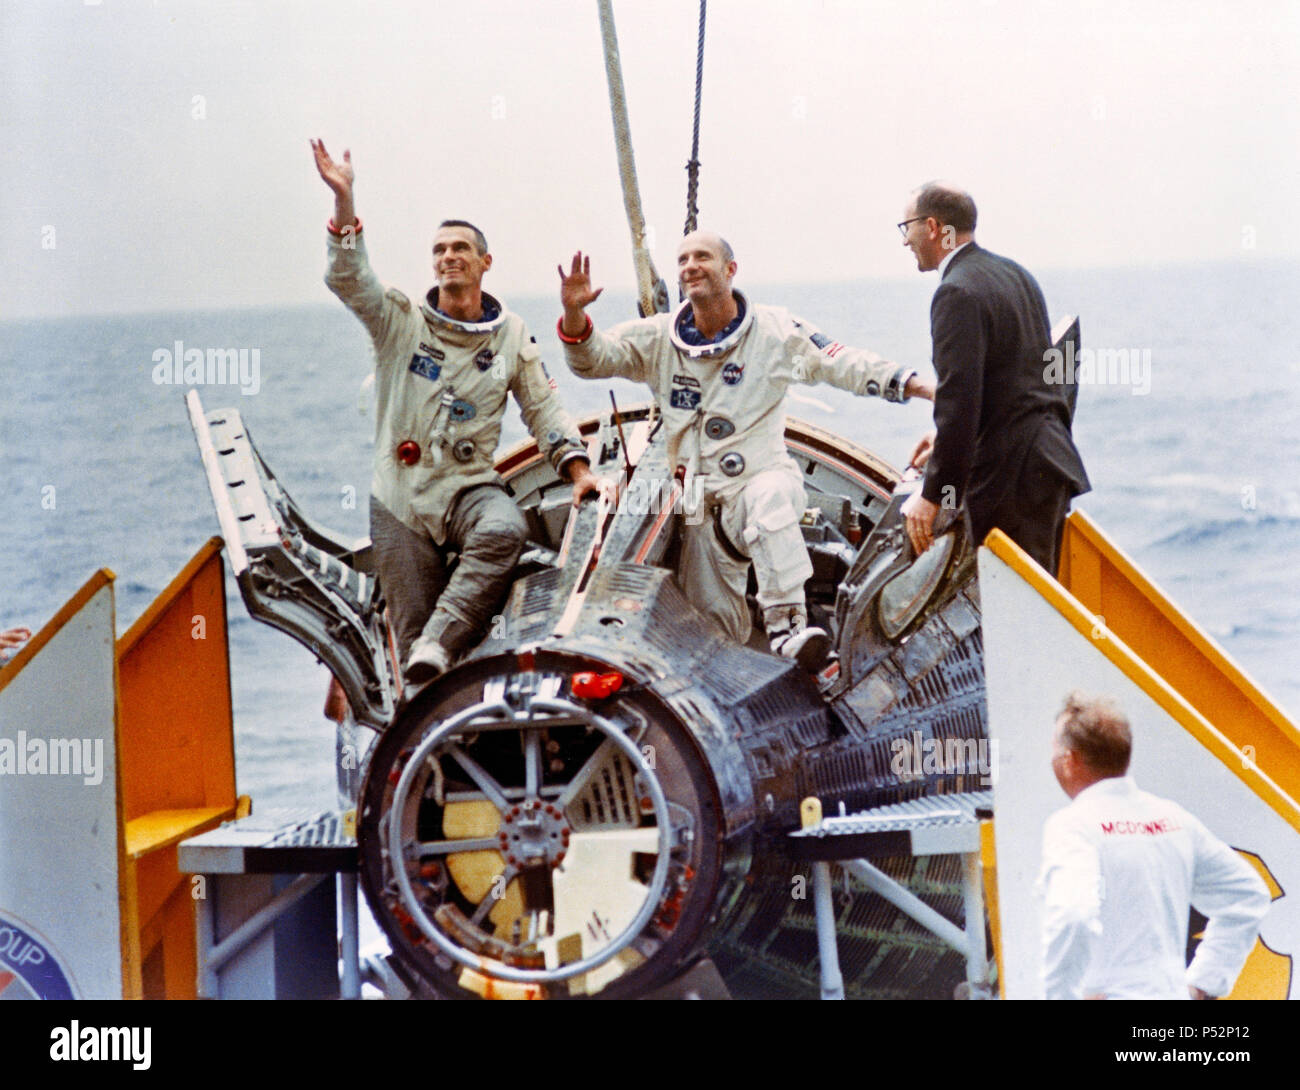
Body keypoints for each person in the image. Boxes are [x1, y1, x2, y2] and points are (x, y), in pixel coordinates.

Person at [557, 231, 934, 668]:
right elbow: (593, 359)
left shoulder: (774, 333)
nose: (690, 266)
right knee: (715, 632)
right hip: (698, 506)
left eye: (703, 257)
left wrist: (923, 387)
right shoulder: (660, 338)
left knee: (769, 499)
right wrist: (573, 316)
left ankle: (788, 628)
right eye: (682, 260)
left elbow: (842, 362)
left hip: (757, 483)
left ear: (730, 270)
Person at [312, 139, 605, 685]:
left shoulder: (511, 336)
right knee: (417, 655)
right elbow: (351, 279)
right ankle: (427, 683)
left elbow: (543, 409)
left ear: (484, 263)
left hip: (468, 488)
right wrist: (344, 200)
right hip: (402, 494)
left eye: (460, 248)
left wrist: (579, 470)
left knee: (504, 529)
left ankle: (437, 644)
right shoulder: (402, 322)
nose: (448, 256)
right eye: (439, 249)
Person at [898, 182, 1089, 577]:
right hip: (1048, 464)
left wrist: (931, 496)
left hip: (1013, 478)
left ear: (932, 227)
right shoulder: (1016, 275)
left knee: (1022, 611)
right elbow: (1017, 379)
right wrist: (942, 443)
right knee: (1037, 602)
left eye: (907, 228)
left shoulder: (955, 293)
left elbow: (959, 405)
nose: (906, 241)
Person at [1039, 691, 1270, 1000]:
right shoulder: (1174, 819)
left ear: (1070, 760)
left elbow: (1074, 915)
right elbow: (1248, 894)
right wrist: (1201, 984)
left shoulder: (1074, 826)